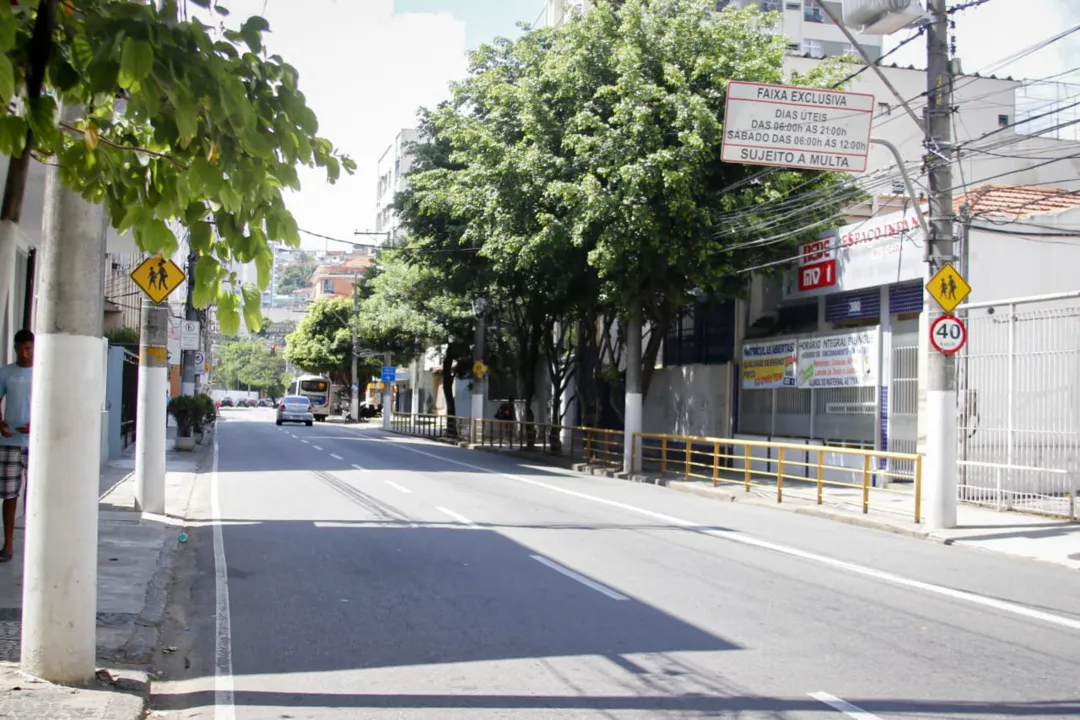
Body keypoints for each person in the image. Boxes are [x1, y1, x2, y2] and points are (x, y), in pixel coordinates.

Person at [0, 330, 33, 562]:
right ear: (15, 348)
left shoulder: (43, 372)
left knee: (36, 495)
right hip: (9, 442)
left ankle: (35, 545)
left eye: (28, 348)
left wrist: (36, 424)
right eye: (20, 348)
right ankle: (8, 545)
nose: (24, 353)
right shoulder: (6, 373)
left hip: (36, 443)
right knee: (9, 495)